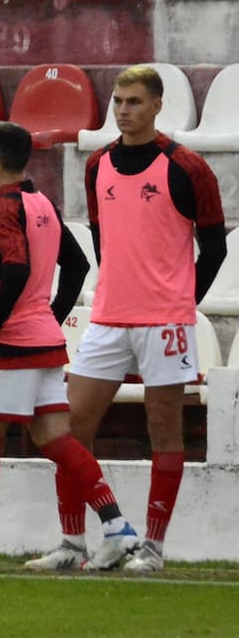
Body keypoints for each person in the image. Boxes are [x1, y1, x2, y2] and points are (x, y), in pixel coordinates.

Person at [27, 65, 226, 573]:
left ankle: (154, 548)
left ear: (158, 105)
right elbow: (100, 236)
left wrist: (183, 300)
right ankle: (77, 543)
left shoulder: (186, 167)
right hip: (109, 317)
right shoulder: (98, 165)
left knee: (165, 430)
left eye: (134, 101)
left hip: (166, 322)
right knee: (69, 428)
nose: (123, 110)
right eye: (117, 100)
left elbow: (216, 247)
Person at [0, 121, 139, 571]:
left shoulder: (1, 210)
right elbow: (77, 266)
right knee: (56, 440)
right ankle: (116, 527)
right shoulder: (42, 203)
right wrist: (48, 317)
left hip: (11, 343)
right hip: (44, 340)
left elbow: (15, 272)